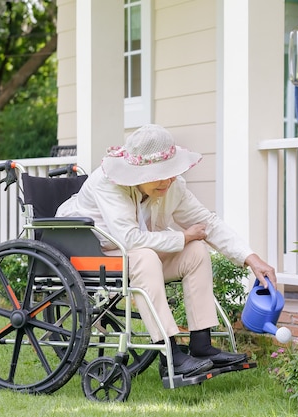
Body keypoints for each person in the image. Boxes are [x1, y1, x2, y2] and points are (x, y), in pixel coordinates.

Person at [56, 124, 278, 377]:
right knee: (147, 256)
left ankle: (202, 346)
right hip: (92, 252)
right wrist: (182, 236)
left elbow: (208, 224)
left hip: (133, 254)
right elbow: (127, 239)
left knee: (195, 250)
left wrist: (251, 258)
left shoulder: (171, 185)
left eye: (170, 171)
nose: (168, 179)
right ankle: (169, 353)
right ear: (136, 173)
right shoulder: (107, 183)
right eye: (160, 174)